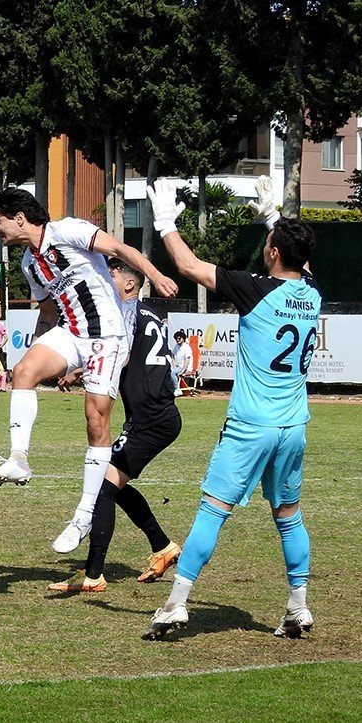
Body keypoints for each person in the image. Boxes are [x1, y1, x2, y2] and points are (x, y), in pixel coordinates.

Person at [143, 177, 321, 640]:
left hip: (251, 424)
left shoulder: (256, 289)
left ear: (275, 253)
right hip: (294, 424)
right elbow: (300, 260)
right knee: (289, 517)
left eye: (269, 242)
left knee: (212, 511)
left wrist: (164, 221)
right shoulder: (312, 293)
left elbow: (186, 264)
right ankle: (298, 606)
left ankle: (177, 603)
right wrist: (273, 218)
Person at [0, 187, 178, 558]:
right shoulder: (28, 263)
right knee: (23, 371)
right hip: (71, 332)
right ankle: (19, 459)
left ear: (19, 217)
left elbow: (123, 252)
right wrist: (43, 350)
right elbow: (49, 312)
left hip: (108, 335)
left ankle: (84, 515)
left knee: (95, 419)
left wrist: (155, 274)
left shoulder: (67, 230)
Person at [48, 258, 181, 592]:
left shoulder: (124, 313)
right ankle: (162, 546)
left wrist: (79, 371)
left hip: (150, 419)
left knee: (101, 489)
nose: (105, 284)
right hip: (158, 415)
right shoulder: (151, 314)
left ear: (130, 284)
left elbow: (117, 355)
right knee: (112, 486)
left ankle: (94, 575)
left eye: (111, 277)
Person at [171, 330, 195, 396]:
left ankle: (177, 389)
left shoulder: (187, 347)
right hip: (179, 367)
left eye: (179, 338)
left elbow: (187, 361)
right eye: (176, 339)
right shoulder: (176, 346)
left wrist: (183, 371)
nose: (177, 340)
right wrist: (174, 366)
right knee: (170, 371)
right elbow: (172, 355)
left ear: (183, 339)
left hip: (186, 368)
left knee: (172, 373)